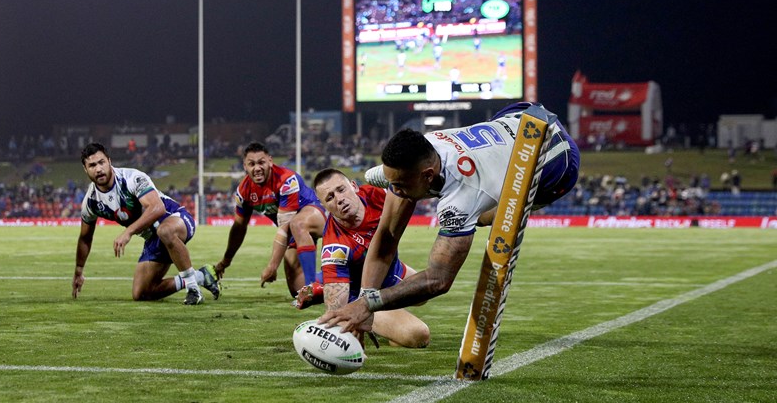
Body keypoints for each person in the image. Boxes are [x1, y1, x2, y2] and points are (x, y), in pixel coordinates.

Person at [320, 101, 580, 333]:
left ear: (428, 176)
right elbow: (387, 235)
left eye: (400, 185)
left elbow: (438, 280)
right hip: (518, 115)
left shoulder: (461, 199)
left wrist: (367, 304)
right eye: (392, 183)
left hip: (554, 160)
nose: (394, 191)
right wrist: (367, 303)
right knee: (394, 199)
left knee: (487, 217)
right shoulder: (420, 150)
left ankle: (495, 207)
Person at [294, 168, 430, 348]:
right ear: (324, 207)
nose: (339, 199)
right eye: (330, 198)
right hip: (358, 294)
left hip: (390, 270)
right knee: (418, 336)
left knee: (425, 294)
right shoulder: (335, 247)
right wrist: (352, 320)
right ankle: (327, 288)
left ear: (353, 186)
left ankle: (322, 287)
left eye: (341, 190)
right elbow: (337, 312)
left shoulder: (378, 195)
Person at [72, 143, 220, 305]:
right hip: (153, 238)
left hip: (176, 219)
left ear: (109, 161)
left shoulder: (131, 178)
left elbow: (157, 208)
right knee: (141, 293)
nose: (99, 169)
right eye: (92, 165)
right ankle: (200, 276)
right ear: (85, 170)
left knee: (164, 231)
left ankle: (193, 290)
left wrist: (128, 232)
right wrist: (79, 270)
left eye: (101, 162)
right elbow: (85, 238)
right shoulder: (91, 201)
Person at [214, 142, 326, 295]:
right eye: (251, 164)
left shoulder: (286, 180)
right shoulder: (243, 191)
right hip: (293, 230)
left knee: (298, 224)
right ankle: (337, 279)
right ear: (244, 166)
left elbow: (286, 226)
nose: (257, 168)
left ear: (270, 162)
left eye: (261, 162)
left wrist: (272, 266)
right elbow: (239, 228)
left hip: (317, 214)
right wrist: (225, 261)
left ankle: (312, 288)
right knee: (296, 289)